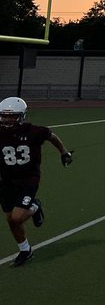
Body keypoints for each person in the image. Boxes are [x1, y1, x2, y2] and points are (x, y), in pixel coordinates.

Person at [0, 97, 73, 267]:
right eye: (4, 116)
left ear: (22, 116)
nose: (7, 119)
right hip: (6, 181)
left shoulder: (33, 131)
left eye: (12, 116)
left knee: (17, 217)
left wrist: (64, 152)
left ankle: (35, 206)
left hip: (28, 179)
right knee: (11, 219)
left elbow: (51, 136)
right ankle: (25, 250)